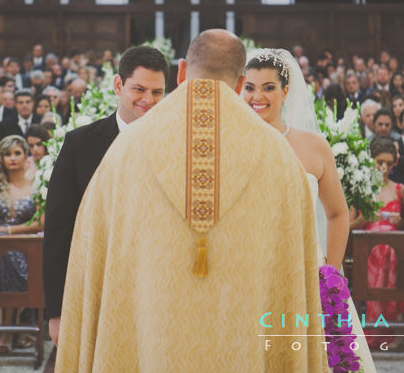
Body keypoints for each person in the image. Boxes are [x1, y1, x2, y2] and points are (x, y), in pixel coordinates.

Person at [55, 31, 325, 371]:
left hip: (151, 337)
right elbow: (293, 265)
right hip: (243, 336)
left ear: (180, 71)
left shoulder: (128, 147)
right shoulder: (278, 154)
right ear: (242, 81)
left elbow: (91, 247)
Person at [243, 48, 375, 371]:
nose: (258, 96)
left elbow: (337, 213)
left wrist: (331, 271)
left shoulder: (314, 147)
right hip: (248, 273)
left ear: (286, 92)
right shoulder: (233, 144)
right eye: (250, 87)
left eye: (269, 87)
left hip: (307, 273)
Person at [43, 46, 169, 350]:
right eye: (138, 89)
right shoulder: (80, 145)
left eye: (157, 92)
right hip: (96, 286)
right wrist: (57, 311)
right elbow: (59, 229)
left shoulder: (175, 145)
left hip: (158, 292)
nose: (148, 101)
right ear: (118, 85)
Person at [360, 137, 404, 348]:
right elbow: (350, 222)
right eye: (380, 162)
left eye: (389, 163)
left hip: (395, 243)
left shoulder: (401, 189)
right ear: (371, 160)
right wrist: (367, 215)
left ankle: (399, 325)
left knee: (394, 249)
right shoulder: (362, 187)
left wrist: (400, 222)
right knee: (388, 249)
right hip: (370, 242)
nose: (384, 168)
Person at [0, 135, 43, 353]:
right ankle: (9, 328)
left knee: (8, 250)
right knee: (3, 251)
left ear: (26, 156)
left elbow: (41, 221)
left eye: (17, 153)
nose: (12, 158)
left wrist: (9, 231)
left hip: (28, 245)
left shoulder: (37, 184)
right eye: (7, 154)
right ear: (1, 158)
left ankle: (7, 330)